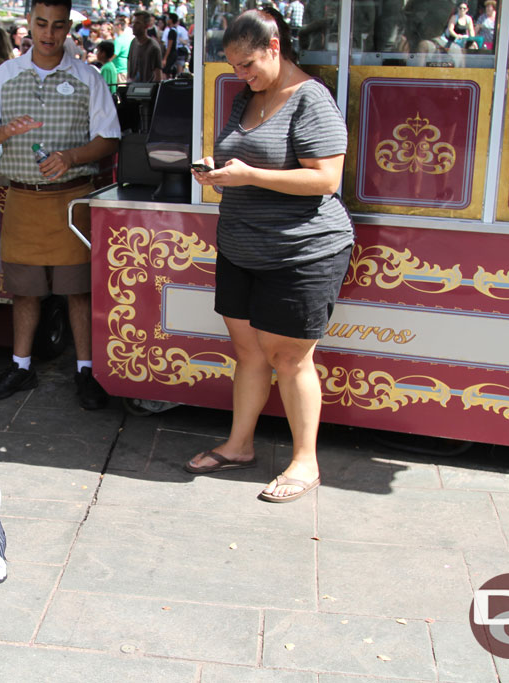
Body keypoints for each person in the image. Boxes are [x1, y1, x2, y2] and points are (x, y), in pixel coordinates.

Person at [187, 9, 353, 503]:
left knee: (290, 357)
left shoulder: (311, 100)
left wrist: (250, 176)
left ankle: (306, 462)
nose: (242, 74)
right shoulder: (247, 97)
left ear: (274, 47)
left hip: (300, 252)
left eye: (248, 64)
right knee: (250, 353)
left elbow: (326, 179)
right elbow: (247, 157)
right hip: (243, 246)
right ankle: (239, 446)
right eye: (235, 66)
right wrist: (217, 173)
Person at [0, 0, 121, 410]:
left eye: (57, 26)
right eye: (41, 24)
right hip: (23, 198)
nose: (49, 34)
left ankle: (87, 370)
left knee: (79, 292)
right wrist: (5, 130)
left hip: (72, 202)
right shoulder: (6, 75)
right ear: (29, 24)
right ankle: (21, 366)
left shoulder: (88, 77)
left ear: (67, 26)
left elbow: (109, 138)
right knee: (24, 292)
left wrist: (71, 156)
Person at [128, 10, 163, 82]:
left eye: (137, 23)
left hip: (147, 89)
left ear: (146, 25)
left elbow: (157, 76)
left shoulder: (153, 47)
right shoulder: (133, 42)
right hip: (132, 87)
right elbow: (129, 64)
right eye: (133, 23)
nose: (133, 26)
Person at [112, 14, 133, 83]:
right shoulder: (128, 37)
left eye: (114, 25)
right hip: (126, 69)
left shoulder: (119, 40)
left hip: (119, 70)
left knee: (120, 91)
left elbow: (114, 54)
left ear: (119, 26)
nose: (113, 27)